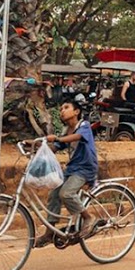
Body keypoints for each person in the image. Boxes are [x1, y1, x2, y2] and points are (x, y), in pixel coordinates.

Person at [42, 94, 99, 243]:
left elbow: (77, 137)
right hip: (72, 168)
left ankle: (88, 218)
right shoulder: (66, 129)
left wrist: (57, 138)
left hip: (85, 168)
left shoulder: (84, 125)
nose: (62, 111)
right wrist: (37, 147)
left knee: (66, 193)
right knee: (54, 194)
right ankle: (50, 231)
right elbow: (56, 146)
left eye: (66, 108)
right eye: (61, 109)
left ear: (76, 112)